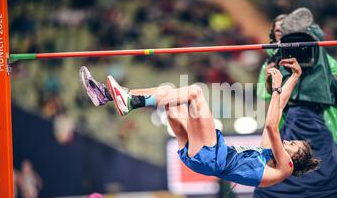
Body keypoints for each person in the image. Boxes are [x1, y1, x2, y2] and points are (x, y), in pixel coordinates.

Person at [79, 58, 320, 188]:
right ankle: (109, 96)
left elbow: (270, 124)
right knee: (168, 94)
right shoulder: (267, 155)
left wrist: (277, 85)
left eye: (291, 145)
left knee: (195, 92)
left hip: (213, 157)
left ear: (293, 159)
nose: (287, 141)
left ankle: (129, 101)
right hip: (201, 158)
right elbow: (276, 109)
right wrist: (295, 78)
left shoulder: (284, 168)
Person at [241, 8, 337, 198]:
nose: (281, 33)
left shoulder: (316, 50)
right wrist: (273, 77)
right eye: (278, 30)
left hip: (316, 117)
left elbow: (336, 81)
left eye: (285, 29)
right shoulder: (272, 61)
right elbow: (266, 94)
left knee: (332, 165)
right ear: (273, 35)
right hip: (290, 119)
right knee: (279, 168)